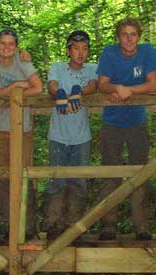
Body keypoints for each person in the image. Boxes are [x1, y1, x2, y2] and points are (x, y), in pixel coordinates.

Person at [96, 17, 156, 241]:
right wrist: (115, 87)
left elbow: (153, 85)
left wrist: (129, 91)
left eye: (133, 34)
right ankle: (108, 225)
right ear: (118, 37)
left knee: (139, 173)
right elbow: (102, 84)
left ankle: (141, 226)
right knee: (109, 172)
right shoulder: (109, 53)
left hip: (137, 121)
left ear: (139, 37)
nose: (129, 38)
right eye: (125, 34)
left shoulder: (147, 52)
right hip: (112, 121)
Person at [0, 29, 43, 239]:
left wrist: (12, 94)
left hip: (22, 128)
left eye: (11, 44)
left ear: (16, 47)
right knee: (2, 176)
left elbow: (38, 88)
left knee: (24, 174)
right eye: (3, 43)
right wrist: (16, 86)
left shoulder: (24, 62)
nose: (6, 47)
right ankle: (11, 227)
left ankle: (28, 228)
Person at [44, 30, 98, 240]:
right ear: (68, 50)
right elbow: (52, 84)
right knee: (56, 180)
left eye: (84, 48)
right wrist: (58, 92)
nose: (80, 53)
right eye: (76, 48)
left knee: (79, 181)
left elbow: (95, 85)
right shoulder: (58, 67)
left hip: (81, 137)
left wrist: (80, 90)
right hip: (58, 135)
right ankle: (52, 224)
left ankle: (75, 226)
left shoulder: (92, 69)